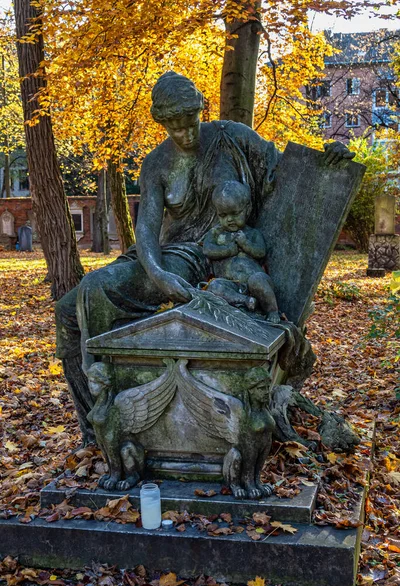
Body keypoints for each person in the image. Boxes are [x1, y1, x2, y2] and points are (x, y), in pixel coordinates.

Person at [55, 71, 355, 444]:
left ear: (201, 111)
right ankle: (101, 423)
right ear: (163, 124)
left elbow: (286, 173)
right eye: (175, 128)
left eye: (191, 123)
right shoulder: (157, 164)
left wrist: (330, 162)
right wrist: (158, 274)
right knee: (70, 310)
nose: (186, 134)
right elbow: (146, 230)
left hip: (216, 255)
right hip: (173, 254)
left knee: (94, 291)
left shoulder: (231, 138)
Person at [203, 180, 279, 322]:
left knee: (259, 280)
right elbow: (207, 250)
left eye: (235, 213)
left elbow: (260, 252)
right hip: (230, 284)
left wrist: (245, 244)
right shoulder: (215, 233)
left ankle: (272, 310)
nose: (229, 219)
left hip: (252, 282)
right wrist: (228, 250)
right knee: (214, 287)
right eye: (223, 215)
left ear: (247, 209)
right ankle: (246, 301)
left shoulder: (252, 234)